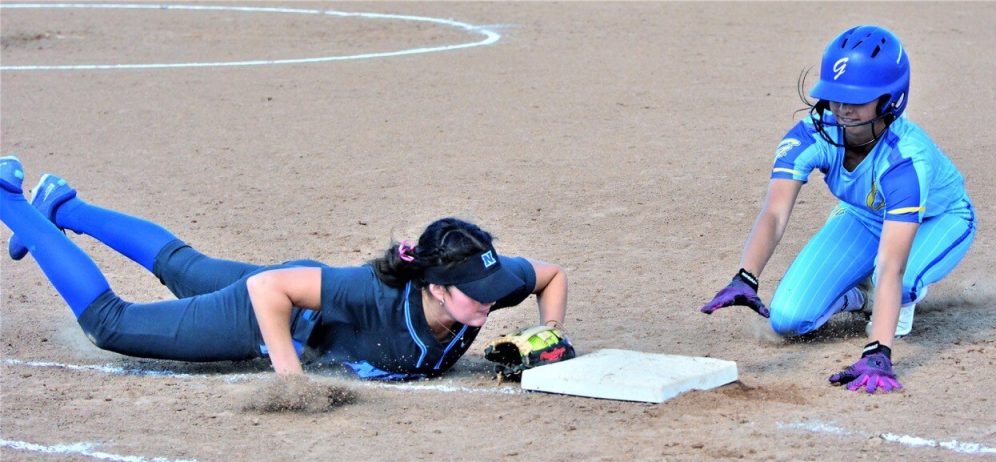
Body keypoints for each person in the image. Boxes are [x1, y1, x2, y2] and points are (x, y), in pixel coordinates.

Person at [0, 156, 571, 380]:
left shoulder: (491, 281)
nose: (492, 301)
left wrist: (550, 333)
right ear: (438, 288)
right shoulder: (370, 294)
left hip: (304, 291)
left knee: (183, 266)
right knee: (111, 325)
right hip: (274, 306)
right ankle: (12, 201)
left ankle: (62, 207)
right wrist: (288, 373)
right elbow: (271, 290)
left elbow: (551, 276)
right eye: (478, 293)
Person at [698, 25, 976, 393]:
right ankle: (859, 297)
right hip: (864, 216)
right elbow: (775, 213)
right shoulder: (811, 133)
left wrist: (879, 351)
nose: (843, 109)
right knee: (788, 320)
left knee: (898, 280)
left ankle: (882, 299)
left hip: (938, 219)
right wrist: (746, 275)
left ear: (890, 99)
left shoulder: (905, 160)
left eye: (857, 99)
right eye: (836, 96)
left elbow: (892, 265)